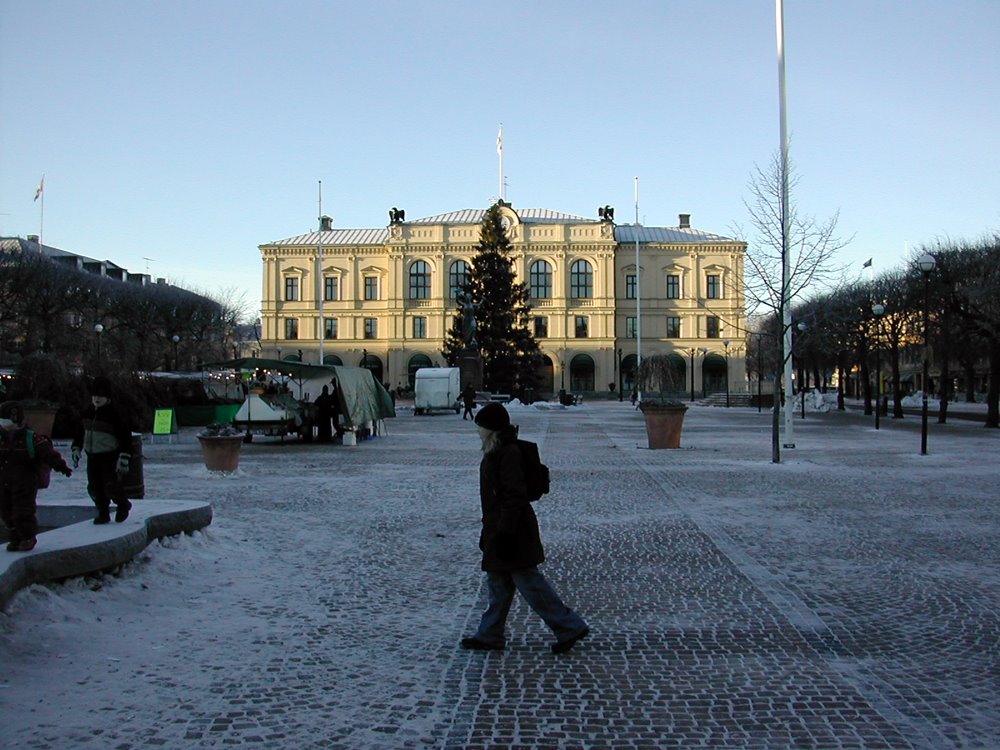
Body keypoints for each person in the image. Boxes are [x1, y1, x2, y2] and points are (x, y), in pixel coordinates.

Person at [461, 402, 589, 654]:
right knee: (498, 583)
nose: (477, 431)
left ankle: (568, 626)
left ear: (492, 429)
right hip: (499, 528)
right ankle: (490, 634)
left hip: (513, 530)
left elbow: (514, 496)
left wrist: (505, 533)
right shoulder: (495, 450)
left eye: (481, 426)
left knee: (529, 583)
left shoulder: (507, 453)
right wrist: (489, 533)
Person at [1, 401, 73, 552]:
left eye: (7, 424)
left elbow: (48, 454)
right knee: (6, 511)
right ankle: (15, 537)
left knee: (23, 511)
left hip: (25, 483)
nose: (4, 427)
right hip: (4, 482)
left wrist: (61, 466)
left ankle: (28, 537)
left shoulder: (30, 439)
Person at [72, 376, 134, 524]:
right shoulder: (88, 412)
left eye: (101, 396)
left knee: (111, 484)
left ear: (107, 397)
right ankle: (103, 512)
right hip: (92, 455)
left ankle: (123, 504)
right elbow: (80, 432)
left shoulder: (115, 414)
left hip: (109, 455)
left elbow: (125, 437)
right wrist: (76, 447)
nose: (97, 399)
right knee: (94, 486)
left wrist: (125, 456)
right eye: (94, 396)